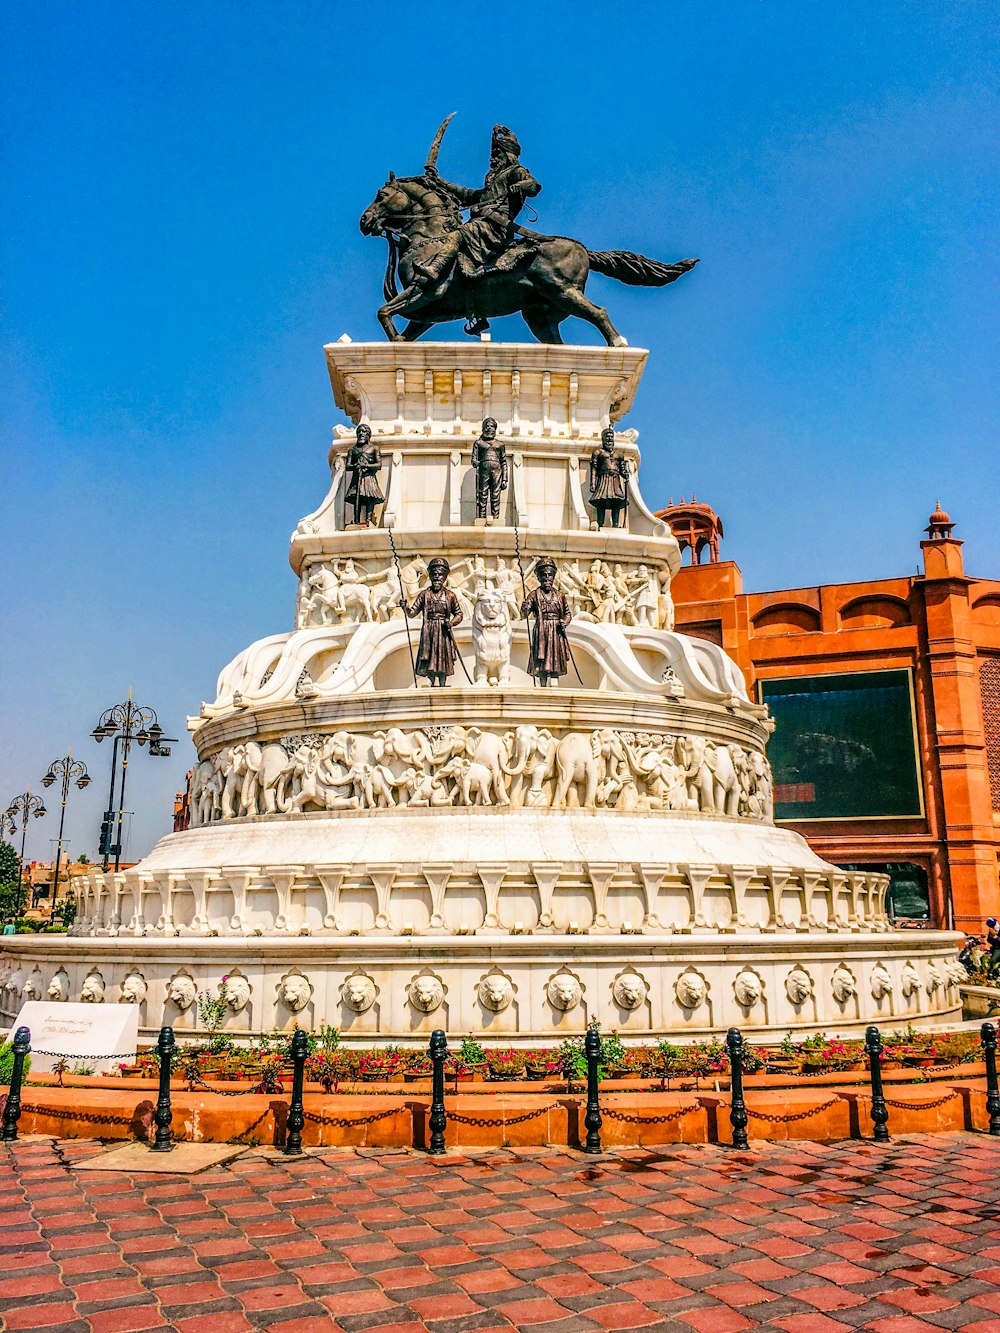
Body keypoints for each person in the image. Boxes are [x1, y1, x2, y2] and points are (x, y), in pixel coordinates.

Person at [403, 557, 463, 687]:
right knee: (429, 654)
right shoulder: (424, 594)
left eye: (440, 574)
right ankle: (430, 679)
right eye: (434, 574)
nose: (437, 577)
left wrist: (451, 623)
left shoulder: (450, 595)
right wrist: (405, 607)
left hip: (443, 630)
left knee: (443, 655)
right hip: (429, 629)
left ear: (445, 577)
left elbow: (459, 614)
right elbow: (412, 613)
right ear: (430, 576)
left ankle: (442, 682)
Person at [521, 558, 572, 687]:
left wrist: (564, 622)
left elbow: (567, 613)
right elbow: (524, 614)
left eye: (550, 575)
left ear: (553, 576)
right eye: (544, 575)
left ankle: (554, 678)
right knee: (541, 659)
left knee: (555, 657)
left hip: (556, 630)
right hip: (542, 629)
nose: (547, 578)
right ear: (539, 577)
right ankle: (542, 681)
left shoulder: (560, 596)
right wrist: (525, 607)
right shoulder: (534, 595)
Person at [589, 426, 630, 529]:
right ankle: (600, 523)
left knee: (616, 502)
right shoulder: (598, 453)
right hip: (603, 479)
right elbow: (594, 468)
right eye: (607, 437)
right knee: (601, 501)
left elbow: (622, 468)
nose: (609, 439)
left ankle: (616, 525)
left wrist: (625, 474)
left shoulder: (619, 455)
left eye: (611, 437)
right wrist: (592, 483)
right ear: (603, 439)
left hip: (615, 480)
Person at [344, 424, 384, 526]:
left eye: (364, 432)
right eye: (359, 432)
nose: (361, 434)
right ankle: (356, 519)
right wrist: (355, 466)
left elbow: (379, 465)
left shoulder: (374, 448)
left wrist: (366, 465)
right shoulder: (353, 450)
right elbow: (348, 466)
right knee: (357, 497)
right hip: (357, 477)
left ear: (368, 434)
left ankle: (368, 519)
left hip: (368, 478)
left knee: (370, 497)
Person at [471, 418, 508, 523]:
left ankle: (496, 518)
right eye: (487, 426)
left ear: (495, 429)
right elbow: (474, 460)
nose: (489, 428)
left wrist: (505, 479)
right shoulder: (478, 443)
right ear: (483, 428)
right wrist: (476, 463)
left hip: (497, 470)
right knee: (482, 495)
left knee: (495, 495)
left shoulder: (500, 445)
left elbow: (504, 462)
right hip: (483, 469)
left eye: (492, 426)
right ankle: (481, 518)